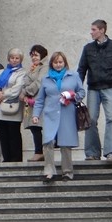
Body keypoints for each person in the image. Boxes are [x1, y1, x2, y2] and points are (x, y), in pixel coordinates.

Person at [78, 19, 112, 161]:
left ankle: (110, 152)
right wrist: (77, 88)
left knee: (111, 118)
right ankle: (92, 153)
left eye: (94, 29)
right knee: (91, 119)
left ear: (102, 30)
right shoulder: (88, 48)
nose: (91, 32)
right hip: (93, 88)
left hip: (110, 87)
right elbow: (81, 69)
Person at [32, 51, 85, 183]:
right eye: (55, 62)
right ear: (51, 64)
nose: (58, 65)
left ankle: (67, 172)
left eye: (60, 62)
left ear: (65, 63)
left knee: (65, 144)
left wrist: (72, 96)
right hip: (50, 114)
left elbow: (82, 92)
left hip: (67, 113)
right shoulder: (46, 78)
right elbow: (39, 100)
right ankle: (49, 171)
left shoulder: (73, 76)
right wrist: (36, 115)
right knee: (48, 142)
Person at [0, 48, 27, 163]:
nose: (14, 60)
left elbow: (17, 89)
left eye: (17, 58)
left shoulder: (22, 72)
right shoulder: (2, 71)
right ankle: (6, 158)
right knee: (2, 134)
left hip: (12, 107)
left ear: (20, 60)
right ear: (8, 58)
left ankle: (16, 159)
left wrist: (2, 95)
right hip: (0, 108)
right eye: (12, 58)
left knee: (13, 134)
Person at [21, 45, 49, 162]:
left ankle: (40, 151)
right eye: (32, 55)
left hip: (40, 100)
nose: (34, 58)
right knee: (34, 127)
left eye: (36, 55)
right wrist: (23, 92)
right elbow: (24, 82)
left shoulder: (45, 67)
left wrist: (26, 91)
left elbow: (39, 82)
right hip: (31, 100)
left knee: (38, 126)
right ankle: (39, 151)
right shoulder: (33, 68)